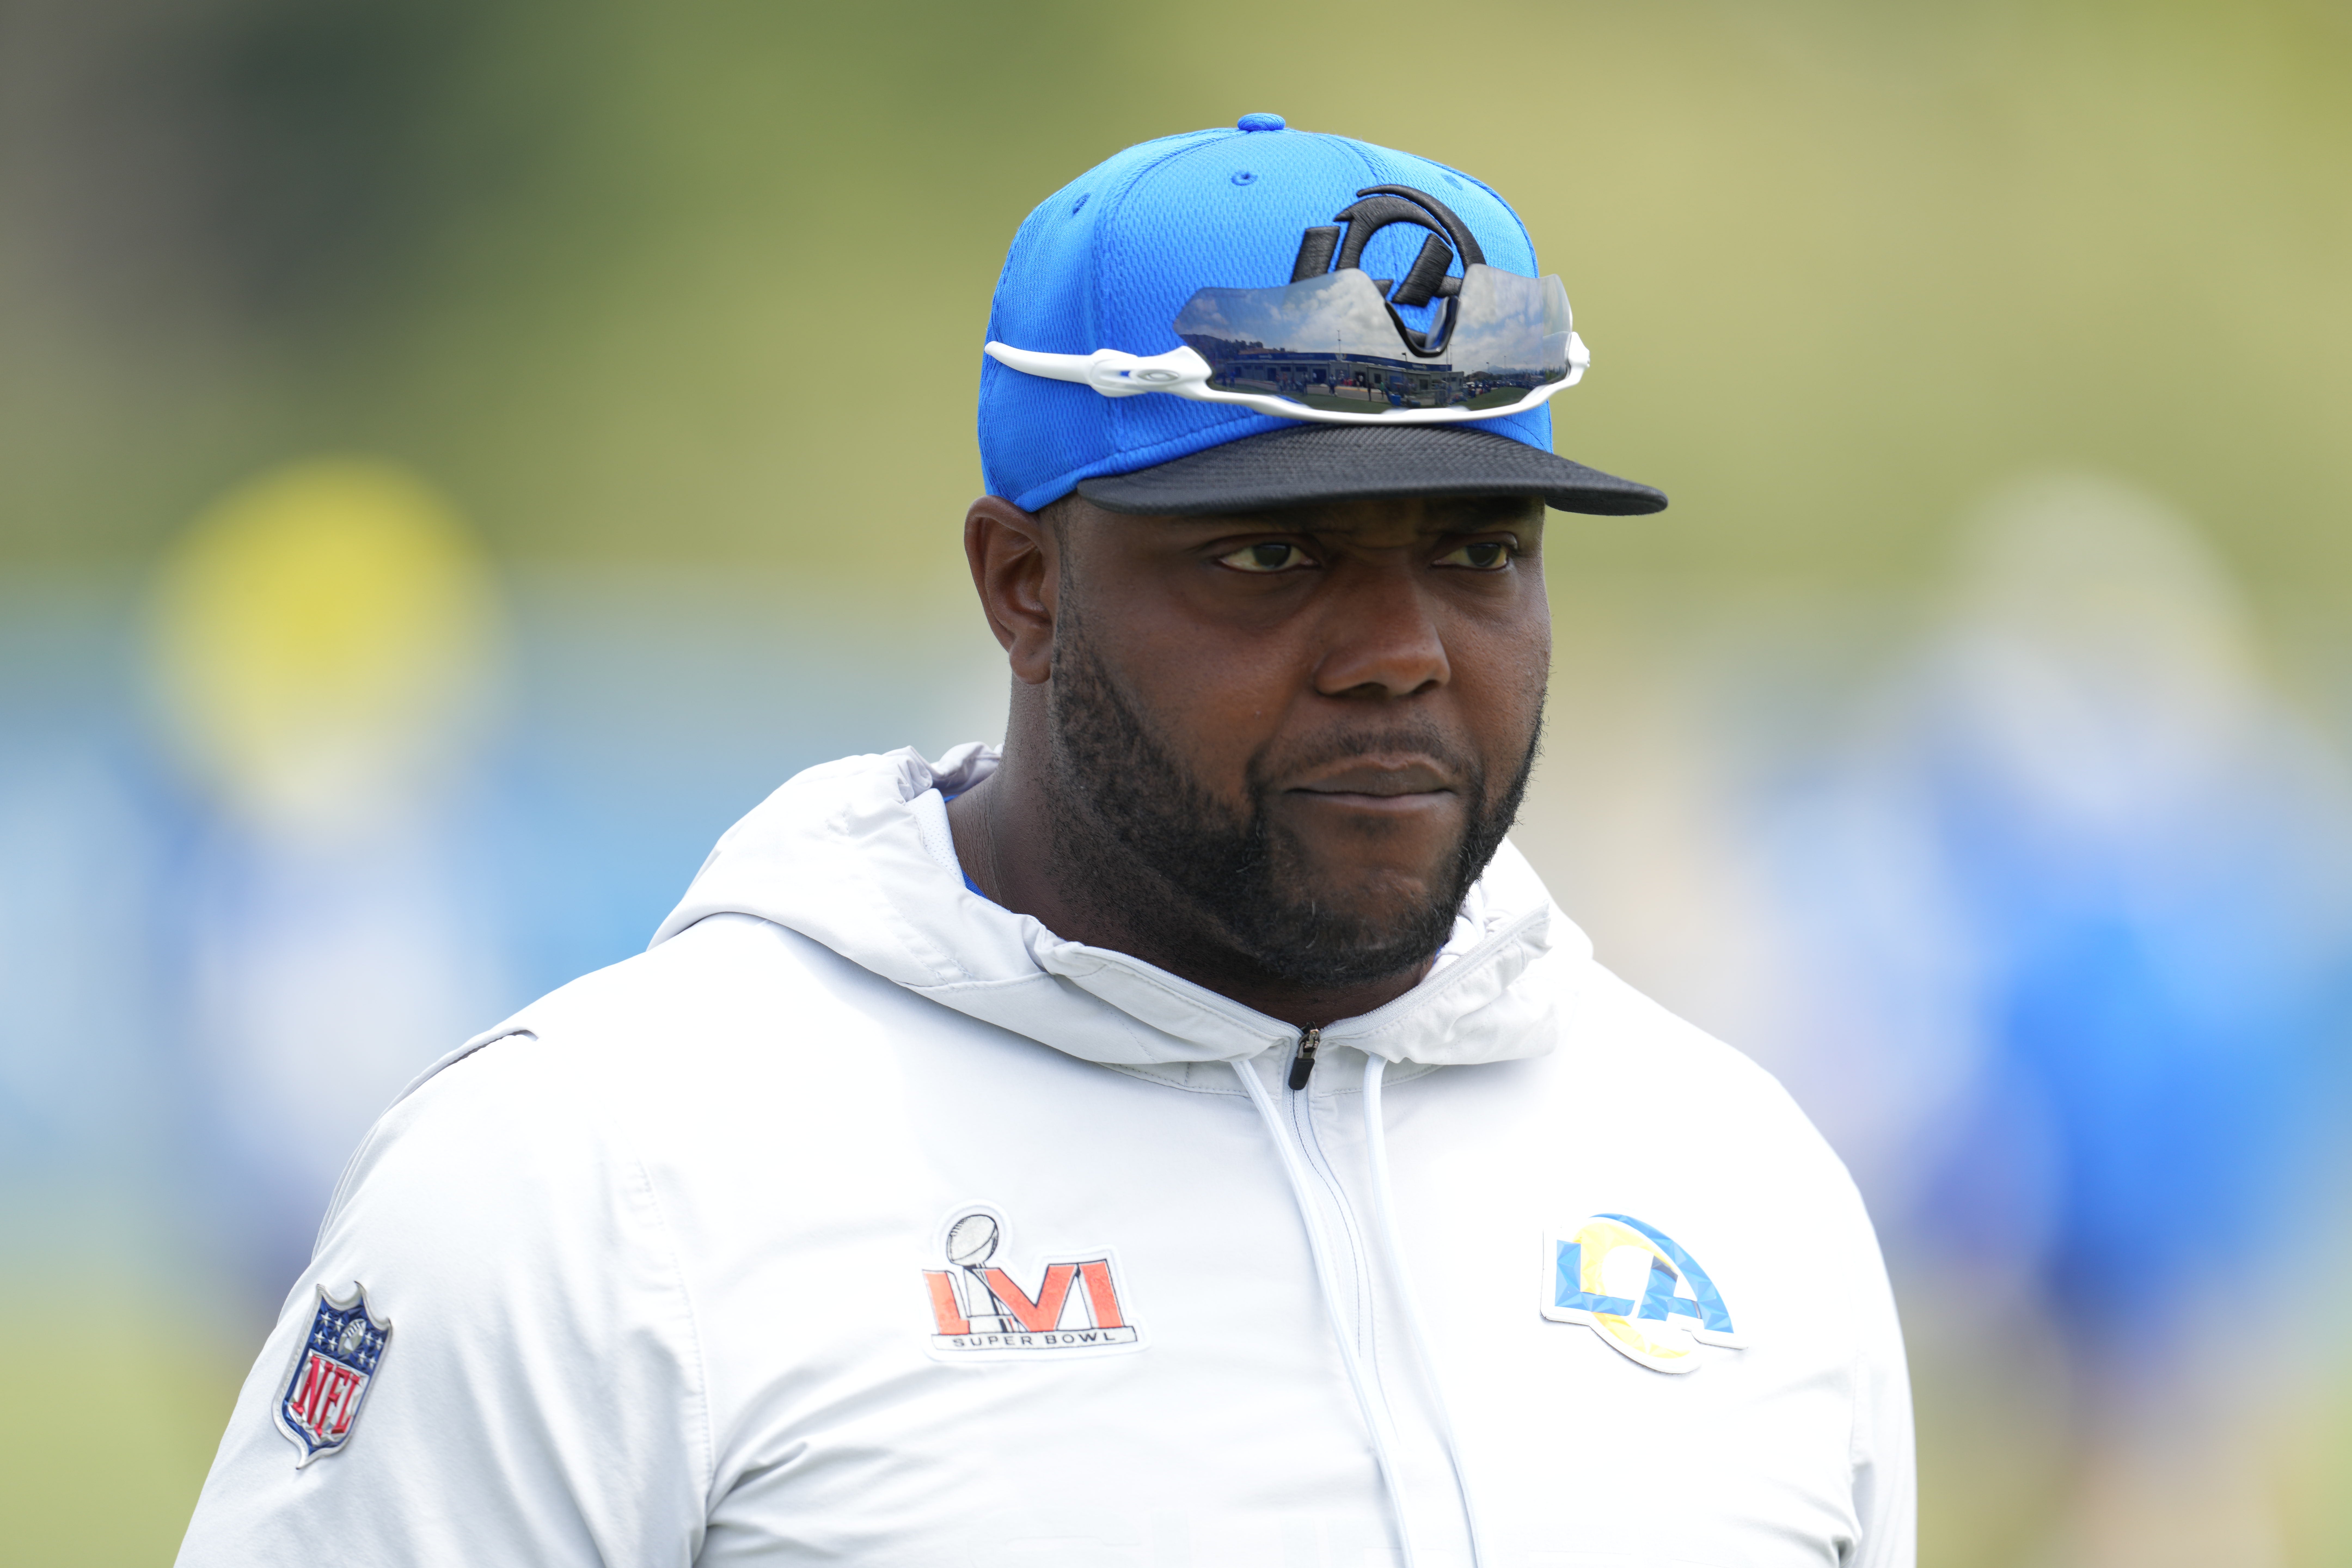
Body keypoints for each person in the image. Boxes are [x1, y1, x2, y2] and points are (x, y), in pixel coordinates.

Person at [179, 115, 1913, 1568]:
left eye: (1477, 551)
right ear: (1026, 588)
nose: (1402, 648)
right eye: (1271, 557)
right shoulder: (598, 1174)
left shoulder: (1735, 1182)